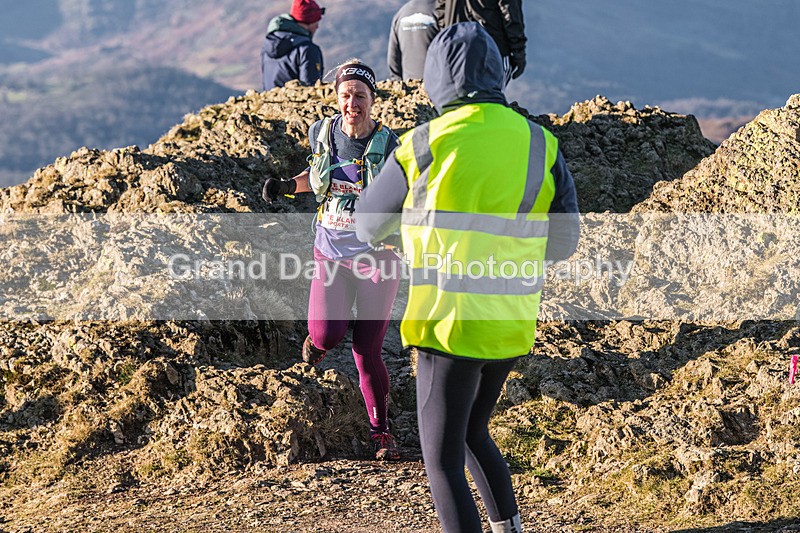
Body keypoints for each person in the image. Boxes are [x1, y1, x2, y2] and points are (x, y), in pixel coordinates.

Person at [356, 22, 579, 533]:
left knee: (441, 461)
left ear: (435, 77)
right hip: (510, 322)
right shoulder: (540, 144)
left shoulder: (423, 144)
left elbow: (367, 225)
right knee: (475, 432)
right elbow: (564, 242)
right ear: (497, 73)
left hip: (448, 325)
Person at [262, 60, 403, 461]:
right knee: (326, 335)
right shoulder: (322, 133)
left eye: (360, 95)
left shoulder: (391, 146)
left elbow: (406, 195)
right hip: (331, 253)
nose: (352, 103)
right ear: (336, 97)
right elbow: (317, 177)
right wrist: (286, 186)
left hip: (378, 258)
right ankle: (318, 344)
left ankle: (381, 433)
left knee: (366, 350)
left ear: (373, 99)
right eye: (345, 95)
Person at [434, 0, 526, 87]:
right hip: (491, 50)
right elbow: (510, 13)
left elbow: (440, 9)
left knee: (459, 94)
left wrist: (447, 34)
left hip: (455, 48)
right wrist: (518, 52)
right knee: (490, 95)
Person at [261, 0, 325, 91]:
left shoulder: (268, 45)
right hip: (296, 100)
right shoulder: (308, 50)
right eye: (316, 22)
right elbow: (310, 90)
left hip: (270, 99)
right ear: (309, 22)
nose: (317, 27)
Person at [387, 0, 440, 81]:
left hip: (409, 84)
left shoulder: (400, 15)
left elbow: (393, 59)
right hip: (437, 83)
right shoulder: (443, 13)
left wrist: (399, 83)